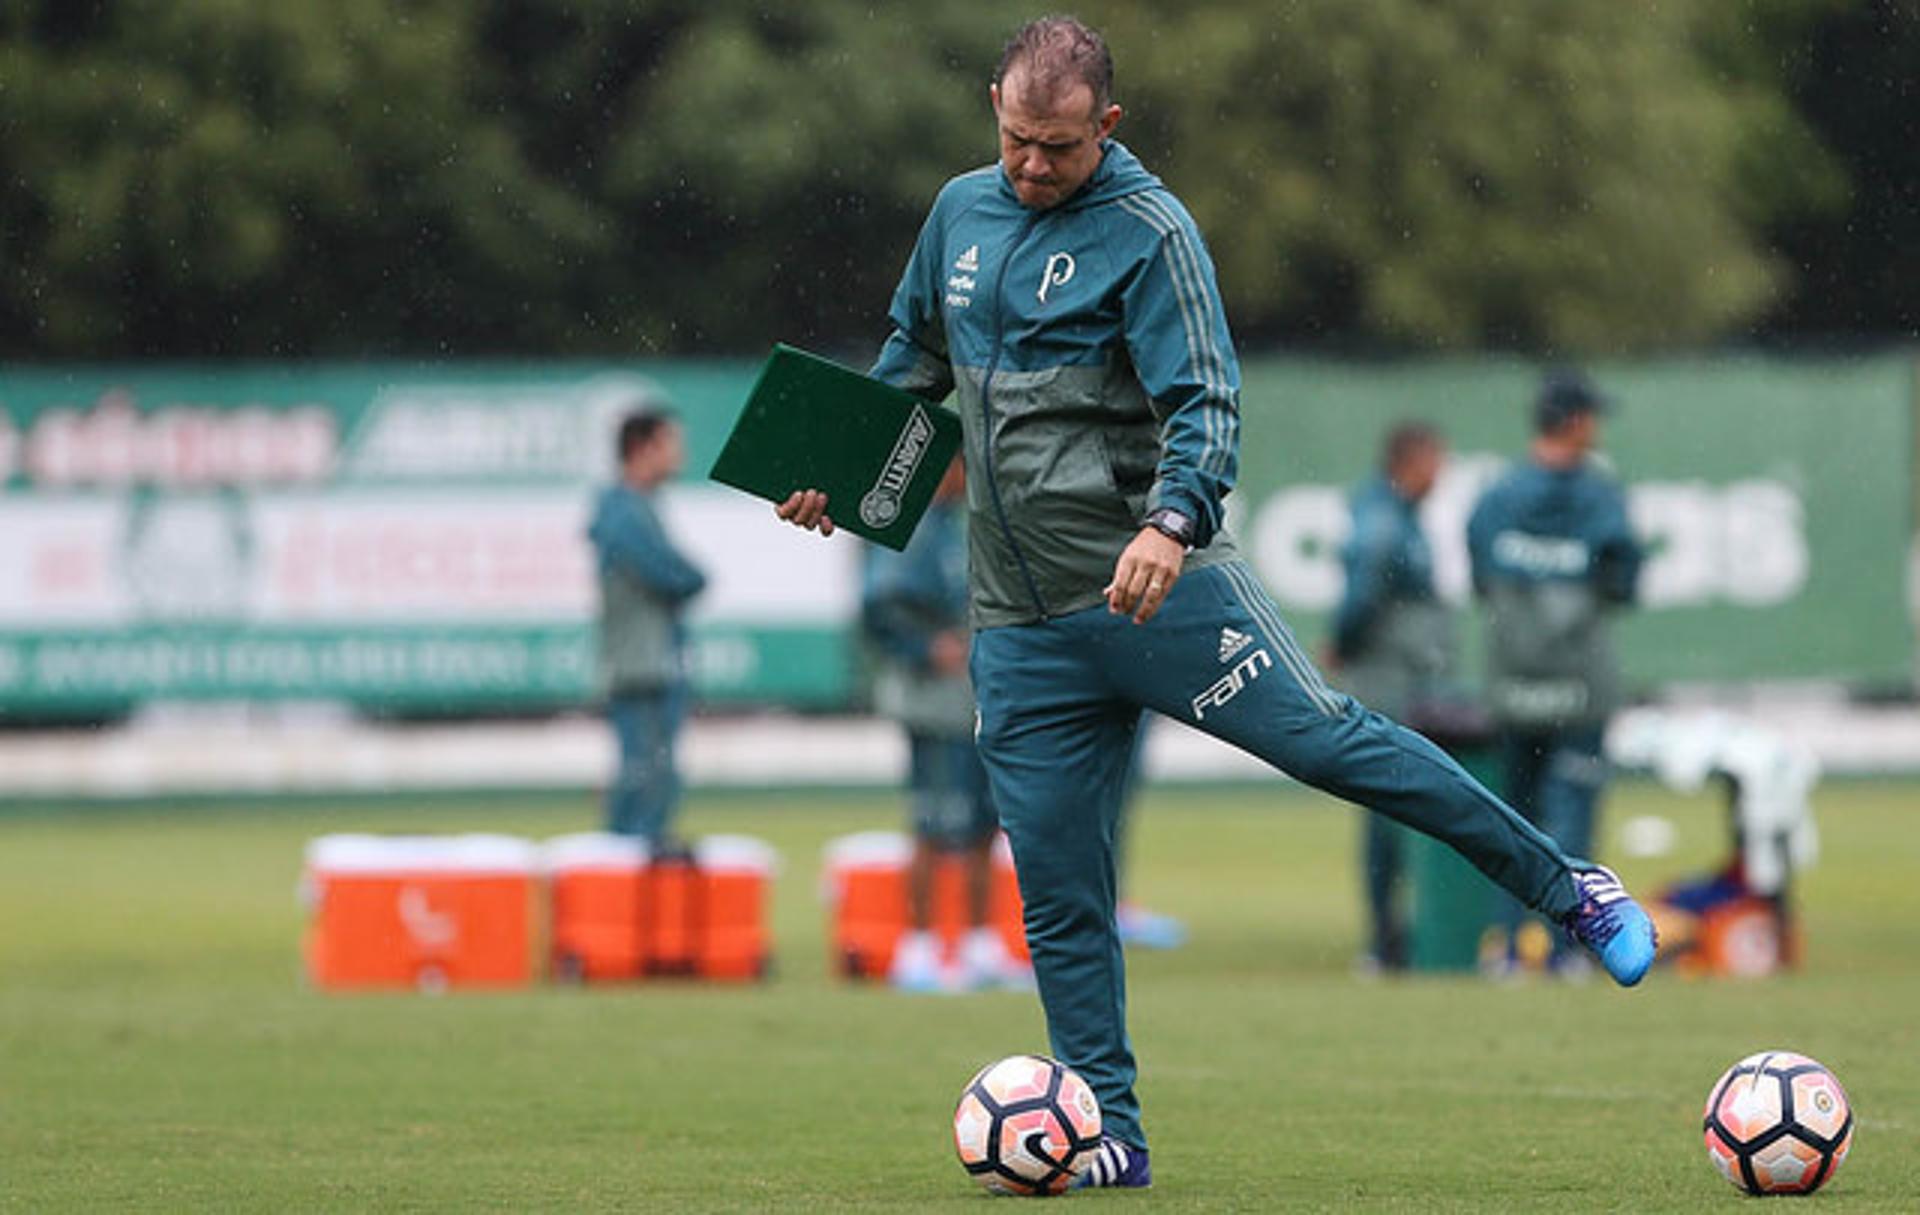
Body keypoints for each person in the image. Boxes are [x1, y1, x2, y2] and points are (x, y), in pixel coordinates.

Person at [775, 17, 1655, 1188]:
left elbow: (1208, 403)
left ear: (1110, 127)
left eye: (1061, 146)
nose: (1035, 166)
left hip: (1159, 590)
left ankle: (1569, 890)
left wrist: (1171, 520)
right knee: (1057, 892)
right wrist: (842, 460)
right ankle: (1114, 1140)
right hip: (1018, 625)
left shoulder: (1153, 233)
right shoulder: (958, 213)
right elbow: (912, 353)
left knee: (1335, 746)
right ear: (994, 104)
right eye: (1018, 139)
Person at [1468, 371, 1644, 975]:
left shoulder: (1498, 496)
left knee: (1508, 821)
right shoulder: (1601, 495)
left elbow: (1479, 578)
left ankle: (1511, 948)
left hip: (1512, 682)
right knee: (1571, 816)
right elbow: (1624, 581)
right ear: (1574, 422)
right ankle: (1571, 952)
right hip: (1580, 684)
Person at [861, 456, 1026, 992]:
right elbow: (878, 606)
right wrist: (924, 647)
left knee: (983, 826)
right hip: (933, 707)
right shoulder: (911, 530)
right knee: (934, 825)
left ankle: (979, 945)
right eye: (958, 465)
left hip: (971, 703)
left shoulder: (958, 525)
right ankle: (920, 947)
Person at [1327, 422, 1451, 973]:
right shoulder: (1382, 519)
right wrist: (1343, 641)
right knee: (1390, 809)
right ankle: (1385, 938)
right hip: (1388, 682)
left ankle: (1399, 933)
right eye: (1435, 462)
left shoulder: (1397, 514)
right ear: (1411, 460)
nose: (1440, 474)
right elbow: (1365, 590)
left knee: (1400, 807)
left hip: (1402, 677)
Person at [588, 409, 706, 846]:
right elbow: (675, 574)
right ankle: (627, 875)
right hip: (641, 661)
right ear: (642, 448)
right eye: (671, 443)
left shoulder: (634, 508)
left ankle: (634, 869)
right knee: (646, 775)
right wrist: (691, 579)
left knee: (651, 772)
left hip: (648, 658)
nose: (680, 454)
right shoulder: (624, 512)